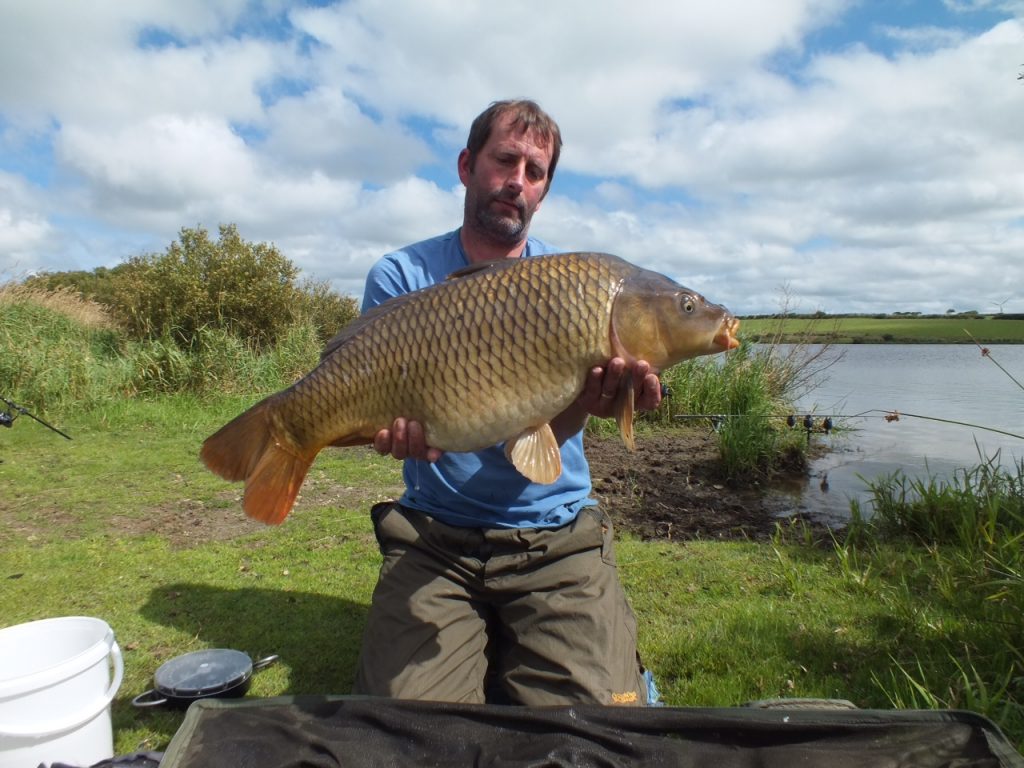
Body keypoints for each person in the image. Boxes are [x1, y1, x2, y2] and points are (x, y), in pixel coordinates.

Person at [353, 99, 663, 706]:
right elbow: (378, 405)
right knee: (405, 727)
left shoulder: (577, 287)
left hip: (555, 533)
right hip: (437, 537)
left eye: (535, 171)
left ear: (544, 191)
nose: (517, 181)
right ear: (468, 166)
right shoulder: (402, 275)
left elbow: (543, 433)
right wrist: (375, 430)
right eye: (504, 160)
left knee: (597, 728)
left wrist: (592, 407)